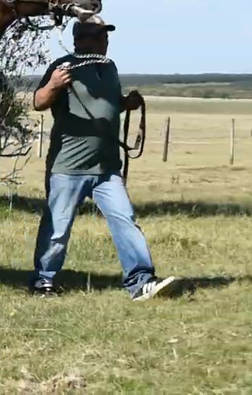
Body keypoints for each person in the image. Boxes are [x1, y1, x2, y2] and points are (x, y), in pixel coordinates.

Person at [29, 16, 176, 301]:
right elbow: (38, 102)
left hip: (107, 167)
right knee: (57, 228)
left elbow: (107, 103)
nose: (104, 41)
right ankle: (43, 281)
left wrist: (125, 103)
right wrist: (54, 85)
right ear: (80, 39)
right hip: (68, 166)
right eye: (98, 36)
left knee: (125, 220)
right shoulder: (63, 66)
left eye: (104, 36)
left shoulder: (109, 67)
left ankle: (141, 281)